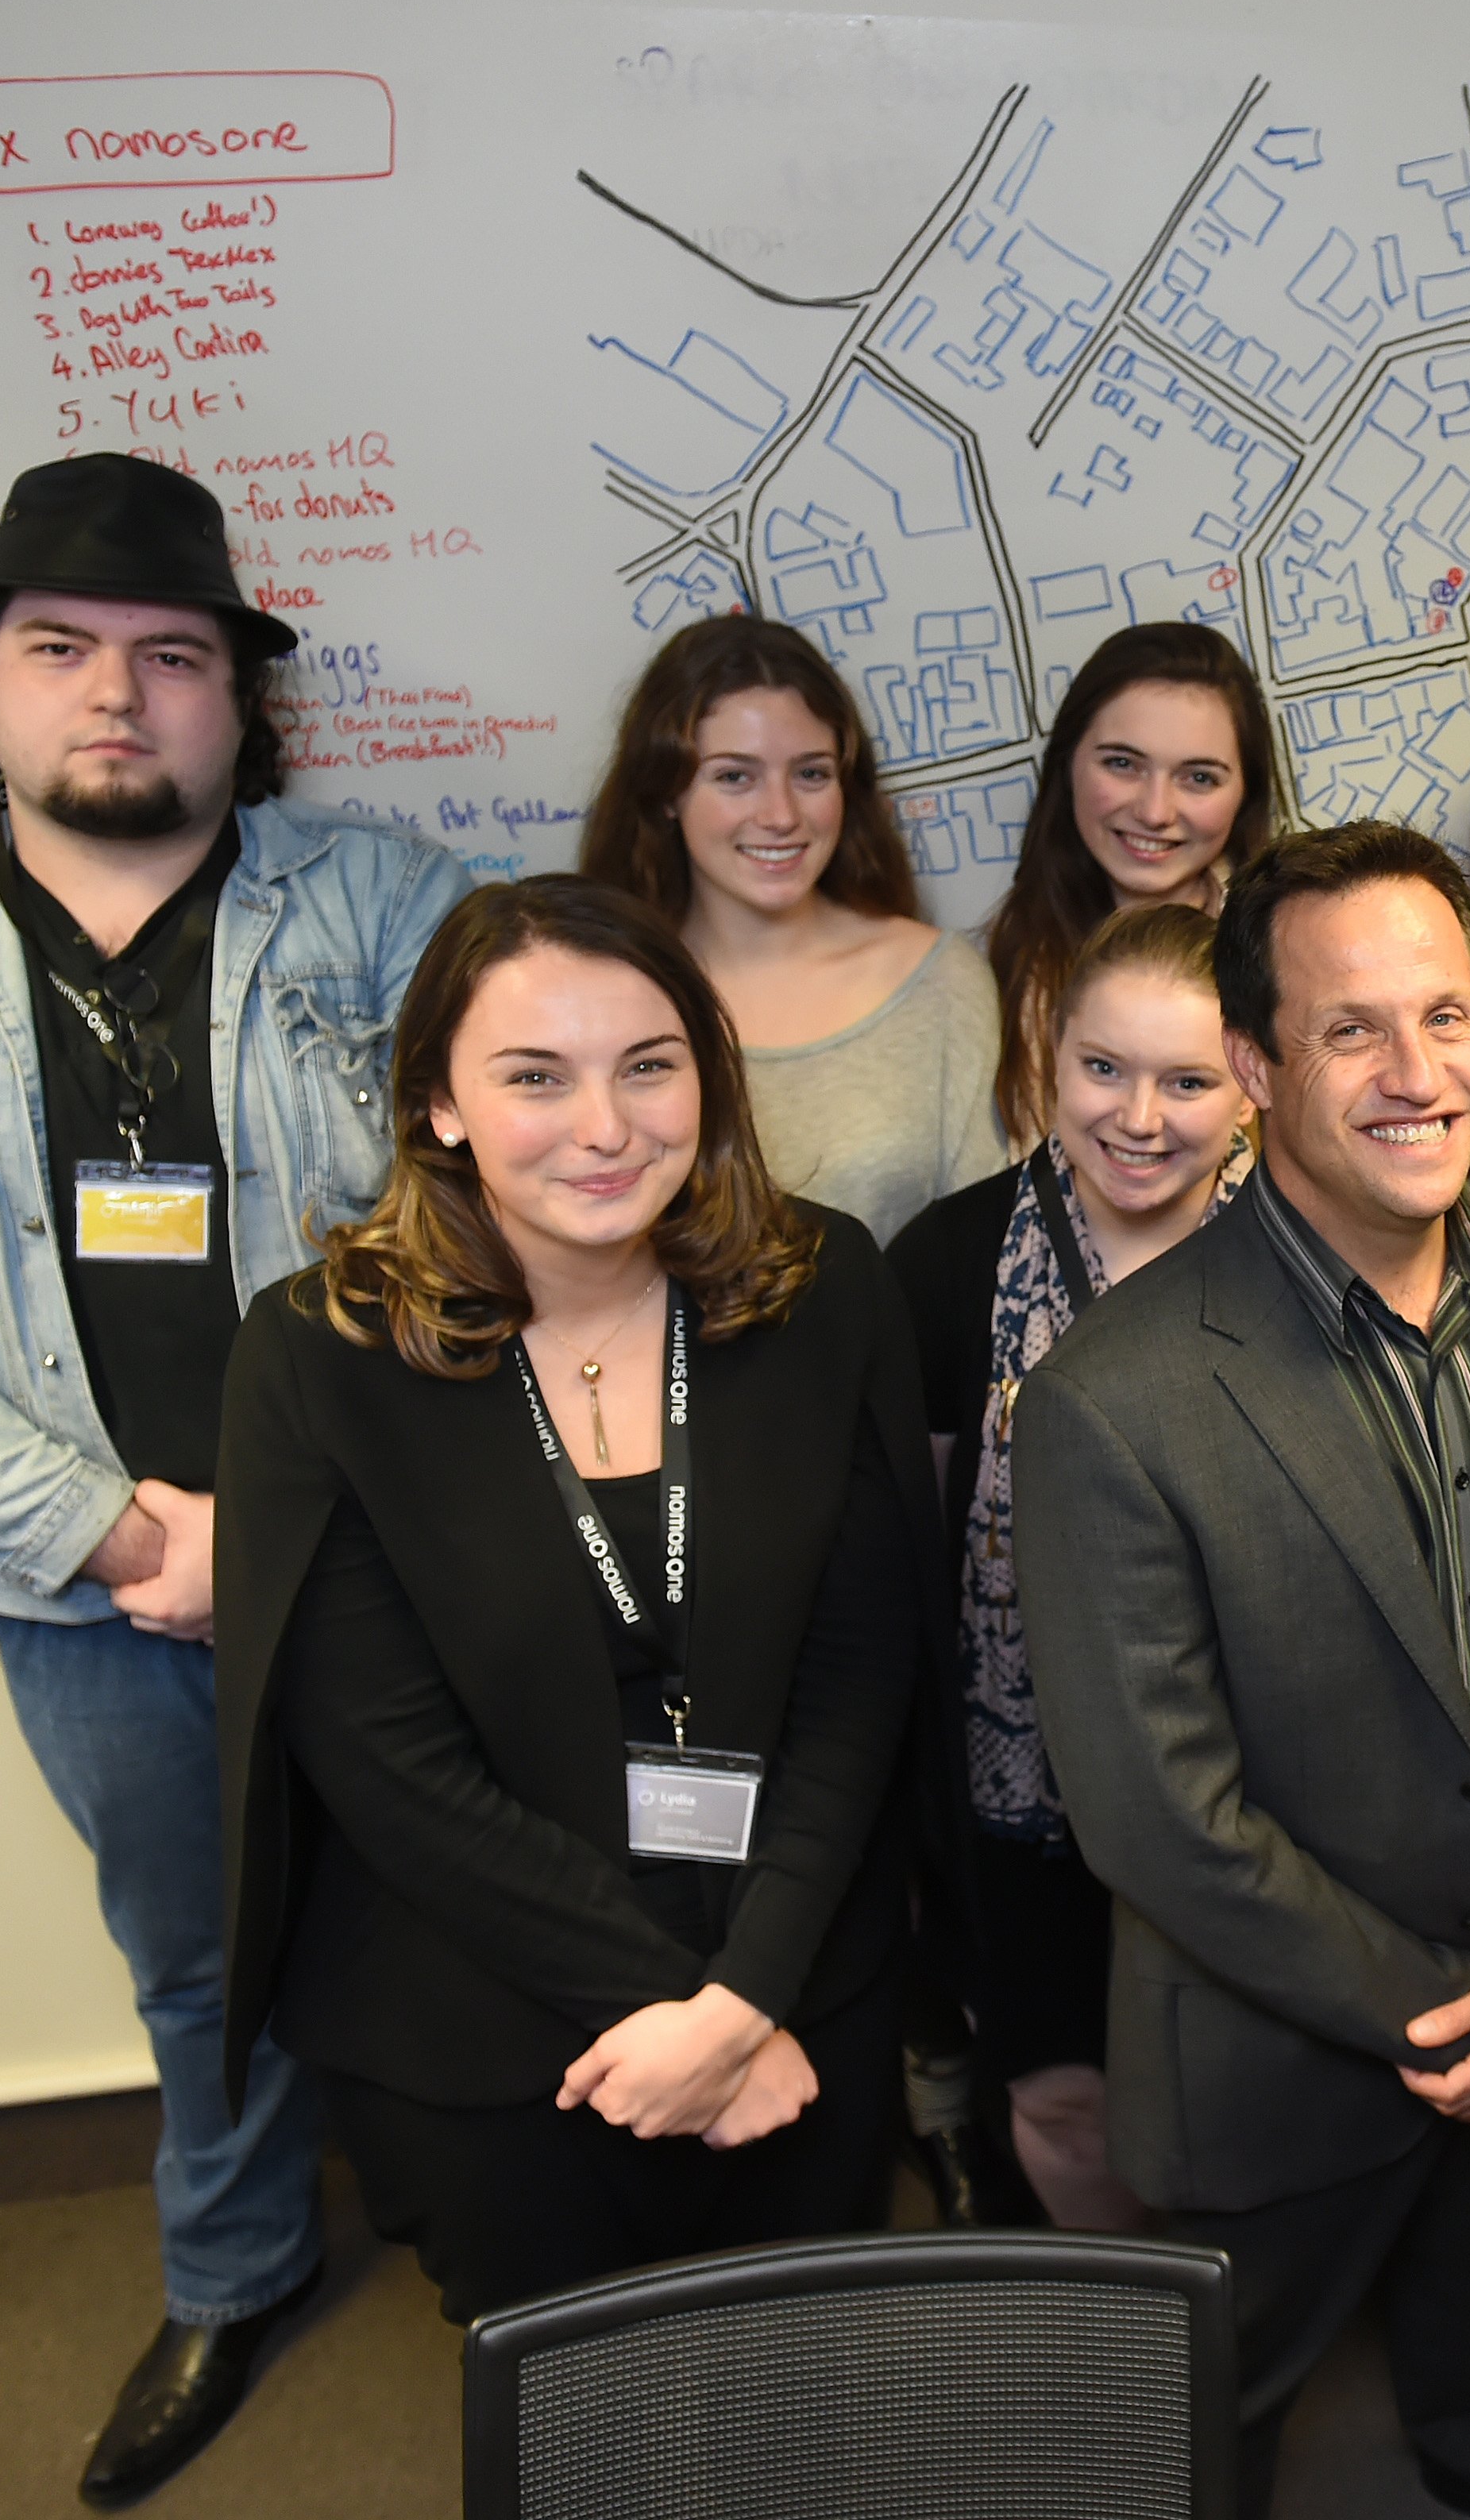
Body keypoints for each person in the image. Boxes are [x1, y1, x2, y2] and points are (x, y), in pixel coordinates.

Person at [0, 453, 464, 2507]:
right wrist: (122, 1531)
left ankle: (490, 2232)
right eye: (61, 651)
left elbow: (498, 1213)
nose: (116, 698)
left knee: (458, 1890)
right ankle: (231, 2273)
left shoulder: (387, 905)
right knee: (197, 1945)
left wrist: (290, 1525)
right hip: (88, 1598)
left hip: (393, 1556)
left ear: (239, 695)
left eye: (171, 657)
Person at [1011, 823, 1470, 2520]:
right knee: (1210, 2414)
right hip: (1276, 2054)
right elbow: (1158, 1813)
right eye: (1350, 1030)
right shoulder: (1114, 1396)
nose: (1417, 1075)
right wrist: (1461, 2010)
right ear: (1252, 1066)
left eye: (1444, 1018)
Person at [210, 878, 935, 2324]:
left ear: (706, 1082)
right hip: (487, 2009)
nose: (606, 1129)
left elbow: (861, 1674)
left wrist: (739, 2002)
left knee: (806, 2392)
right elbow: (386, 1767)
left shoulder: (820, 1287)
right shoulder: (318, 1353)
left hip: (789, 1957)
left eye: (648, 1067)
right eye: (535, 1077)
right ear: (439, 1106)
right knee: (585, 2430)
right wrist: (672, 2020)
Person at [887, 901, 1252, 2234]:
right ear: (1047, 1050)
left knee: (1241, 2090)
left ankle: (1237, 2343)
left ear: (1254, 1077)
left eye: (1187, 1078)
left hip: (1255, 1791)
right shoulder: (948, 1263)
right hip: (1020, 1789)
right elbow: (914, 1573)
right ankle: (1132, 2349)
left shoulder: (1311, 1253)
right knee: (1059, 2095)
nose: (1139, 1117)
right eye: (1104, 1068)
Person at [579, 615, 1004, 1245]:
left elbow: (987, 1244)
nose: (780, 815)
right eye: (734, 777)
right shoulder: (598, 994)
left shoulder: (942, 981)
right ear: (665, 793)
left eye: (811, 774)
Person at [982, 620, 1284, 1148]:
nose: (1154, 811)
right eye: (1122, 764)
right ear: (1067, 766)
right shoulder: (997, 972)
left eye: (1199, 778)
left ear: (1245, 796)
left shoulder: (1289, 960)